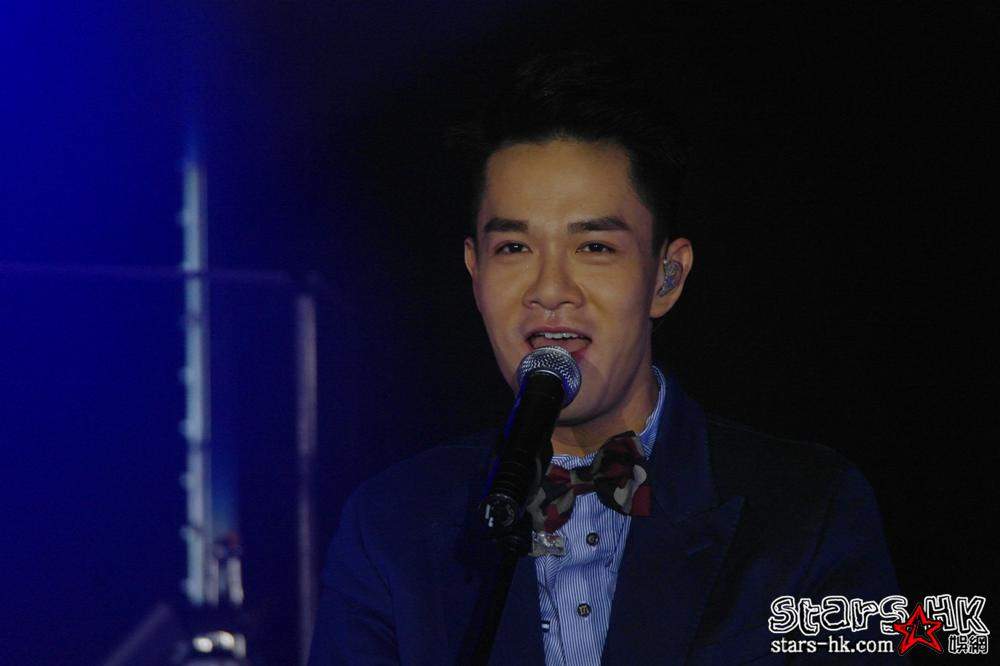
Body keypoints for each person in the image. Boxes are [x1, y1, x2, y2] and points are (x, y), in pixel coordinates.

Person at [309, 53, 903, 664]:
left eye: (594, 246)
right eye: (513, 247)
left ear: (666, 277)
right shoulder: (391, 526)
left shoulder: (808, 507)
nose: (550, 290)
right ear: (475, 272)